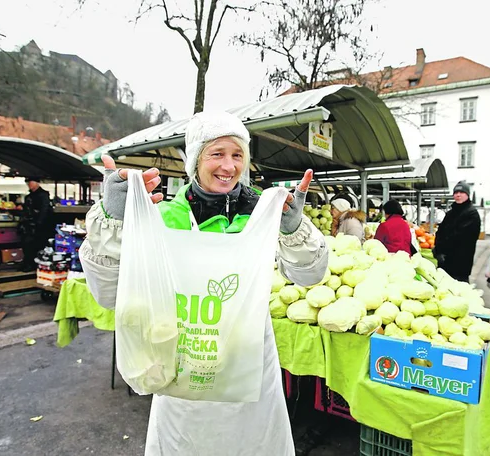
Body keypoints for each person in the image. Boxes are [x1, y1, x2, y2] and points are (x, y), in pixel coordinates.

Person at [80, 111, 328, 455]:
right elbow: (109, 294)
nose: (229, 166)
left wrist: (291, 228)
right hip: (185, 372)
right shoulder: (164, 218)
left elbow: (309, 276)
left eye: (238, 155)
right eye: (217, 154)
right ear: (195, 160)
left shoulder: (261, 216)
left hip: (250, 377)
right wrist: (114, 220)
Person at [432, 181, 481, 282]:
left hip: (460, 263)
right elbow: (440, 231)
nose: (458, 195)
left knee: (459, 292)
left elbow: (461, 237)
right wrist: (437, 249)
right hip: (445, 261)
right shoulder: (451, 213)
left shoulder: (471, 214)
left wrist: (442, 249)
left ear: (467, 195)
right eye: (456, 192)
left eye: (461, 192)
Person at [19, 177, 53, 272]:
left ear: (37, 183)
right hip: (28, 225)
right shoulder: (29, 196)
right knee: (26, 245)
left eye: (31, 182)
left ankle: (31, 264)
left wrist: (38, 223)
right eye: (28, 183)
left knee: (34, 245)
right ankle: (27, 263)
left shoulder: (43, 195)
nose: (29, 185)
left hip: (40, 226)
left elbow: (44, 210)